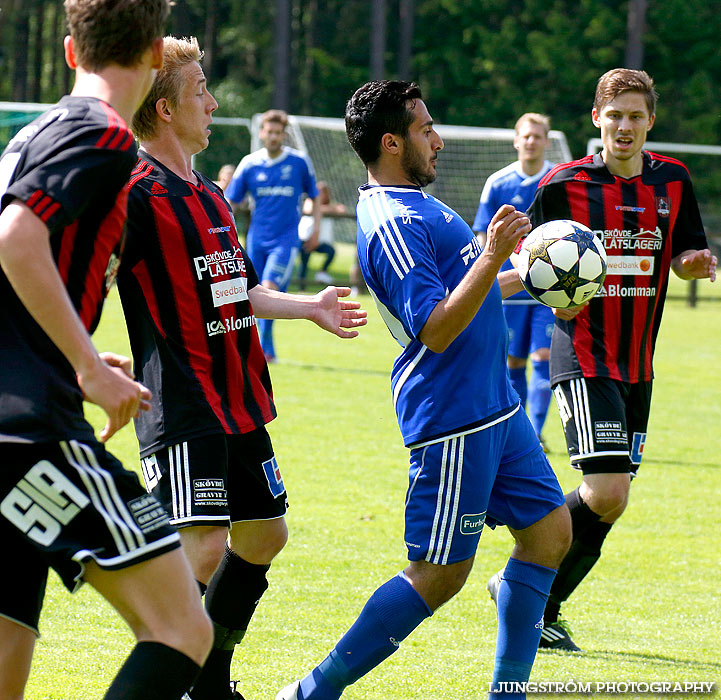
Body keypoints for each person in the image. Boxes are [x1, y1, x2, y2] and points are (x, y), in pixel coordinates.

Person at [276, 80, 571, 700]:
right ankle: (313, 691)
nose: (438, 139)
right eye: (425, 129)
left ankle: (508, 693)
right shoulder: (393, 220)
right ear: (391, 143)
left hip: (495, 406)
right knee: (439, 575)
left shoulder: (420, 204)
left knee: (549, 535)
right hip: (454, 415)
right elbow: (434, 327)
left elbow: (473, 289)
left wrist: (541, 275)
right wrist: (492, 257)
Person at [121, 37, 367, 700]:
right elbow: (82, 274)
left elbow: (243, 290)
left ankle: (208, 681)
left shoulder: (209, 194)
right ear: (167, 109)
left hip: (239, 404)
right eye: (200, 90)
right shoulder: (136, 194)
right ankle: (167, 678)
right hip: (183, 404)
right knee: (200, 550)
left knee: (262, 536)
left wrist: (310, 307)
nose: (213, 101)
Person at [0, 3, 214, 700]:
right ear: (157, 54)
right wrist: (84, 366)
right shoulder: (101, 135)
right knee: (182, 628)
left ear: (70, 51)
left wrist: (71, 351)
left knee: (8, 643)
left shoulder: (35, 130)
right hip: (30, 433)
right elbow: (15, 240)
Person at [523, 68, 717, 651]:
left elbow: (683, 253)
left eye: (636, 116)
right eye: (615, 116)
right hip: (582, 352)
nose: (625, 126)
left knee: (609, 503)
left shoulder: (674, 181)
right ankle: (524, 573)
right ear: (596, 120)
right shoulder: (563, 184)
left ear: (651, 121)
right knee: (607, 491)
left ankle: (543, 608)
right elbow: (532, 258)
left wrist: (692, 263)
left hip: (639, 365)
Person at [473, 114, 556, 448]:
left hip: (549, 288)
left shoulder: (557, 180)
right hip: (510, 287)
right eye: (526, 136)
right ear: (516, 140)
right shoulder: (498, 182)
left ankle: (535, 432)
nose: (531, 141)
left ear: (547, 141)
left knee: (543, 356)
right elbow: (483, 236)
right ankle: (519, 429)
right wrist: (483, 279)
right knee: (513, 361)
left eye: (538, 136)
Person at [225, 109, 322, 362]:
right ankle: (265, 350)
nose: (273, 137)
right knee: (252, 294)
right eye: (269, 132)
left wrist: (316, 229)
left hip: (285, 240)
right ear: (261, 133)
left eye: (278, 133)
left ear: (284, 135)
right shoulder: (249, 163)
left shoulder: (299, 162)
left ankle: (261, 351)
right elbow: (230, 202)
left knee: (269, 288)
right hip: (255, 240)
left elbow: (315, 196)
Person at [297, 181, 348, 288]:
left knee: (331, 251)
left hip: (319, 240)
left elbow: (342, 210)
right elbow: (309, 209)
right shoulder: (309, 201)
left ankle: (322, 273)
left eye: (321, 192)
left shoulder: (329, 205)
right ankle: (302, 288)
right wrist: (330, 209)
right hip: (305, 237)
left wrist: (331, 208)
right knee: (304, 263)